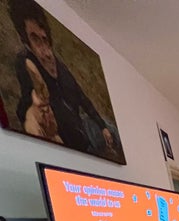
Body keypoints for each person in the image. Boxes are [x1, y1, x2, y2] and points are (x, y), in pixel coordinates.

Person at [10, 0, 118, 157]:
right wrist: (31, 112)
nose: (44, 50)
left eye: (44, 39)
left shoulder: (60, 66)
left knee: (112, 129)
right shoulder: (25, 63)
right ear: (26, 41)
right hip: (73, 144)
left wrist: (102, 127)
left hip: (84, 128)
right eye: (35, 39)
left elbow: (82, 97)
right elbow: (28, 102)